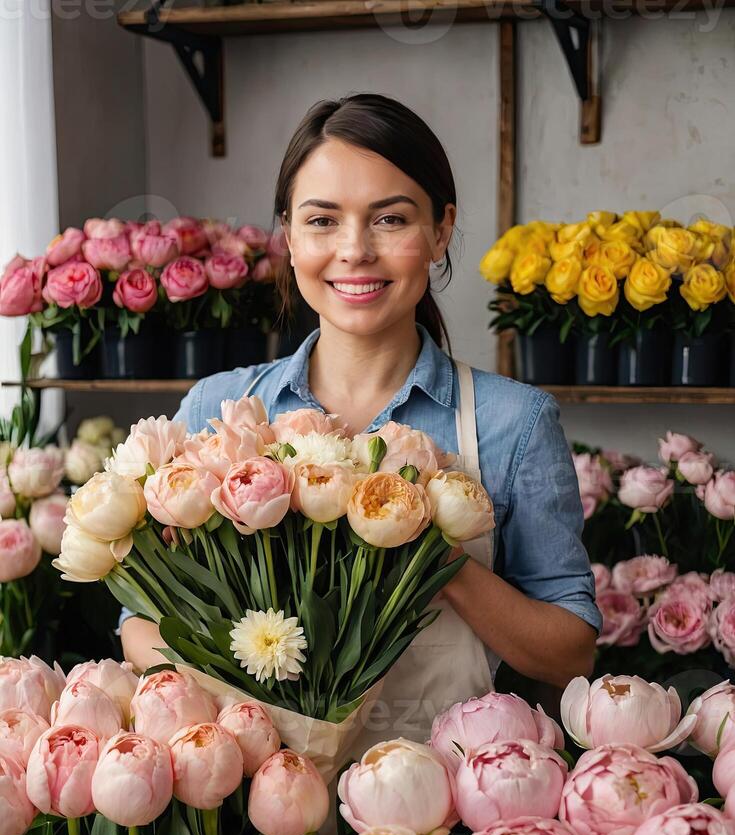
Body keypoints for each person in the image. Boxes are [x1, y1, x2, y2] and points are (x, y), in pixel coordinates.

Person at [121, 92, 601, 747]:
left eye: (390, 220)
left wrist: (435, 556)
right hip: (249, 811)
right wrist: (244, 719)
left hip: (439, 804)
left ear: (440, 231)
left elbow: (568, 654)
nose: (354, 250)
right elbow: (139, 620)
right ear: (287, 235)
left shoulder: (511, 422)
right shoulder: (217, 412)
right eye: (322, 221)